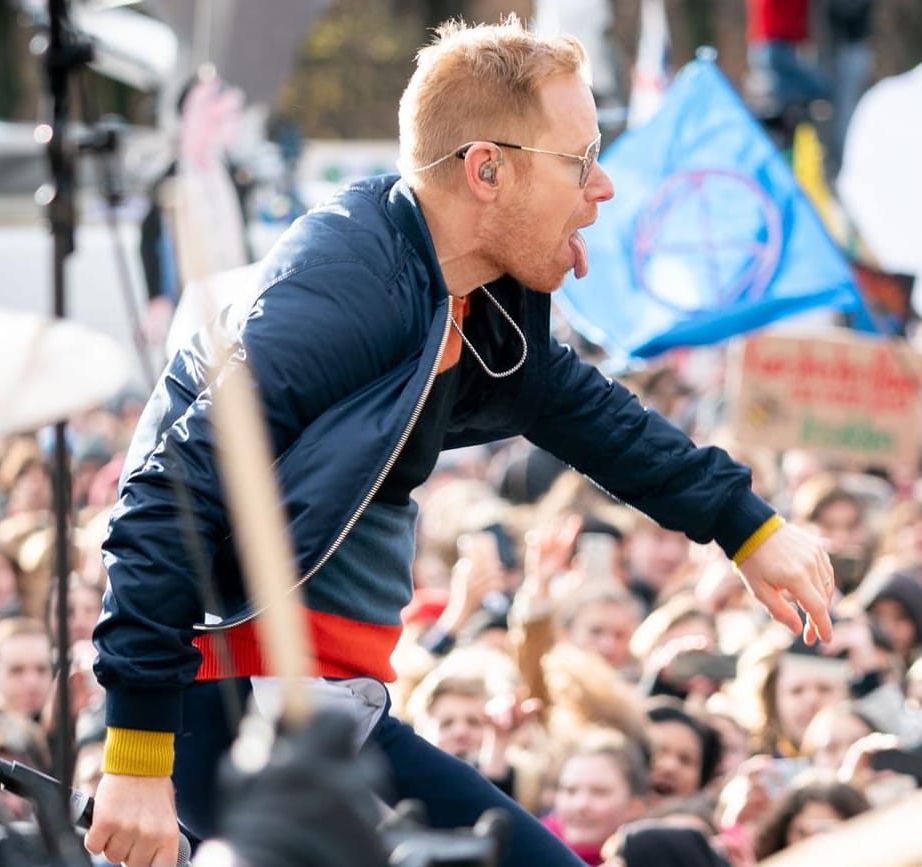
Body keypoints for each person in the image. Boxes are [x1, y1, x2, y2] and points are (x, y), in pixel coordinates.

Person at [87, 17, 834, 867]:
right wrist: (138, 752)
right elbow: (168, 491)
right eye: (580, 161)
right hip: (249, 708)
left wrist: (746, 525)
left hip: (329, 706)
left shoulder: (481, 300)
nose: (604, 190)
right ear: (487, 170)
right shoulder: (351, 284)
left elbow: (596, 418)